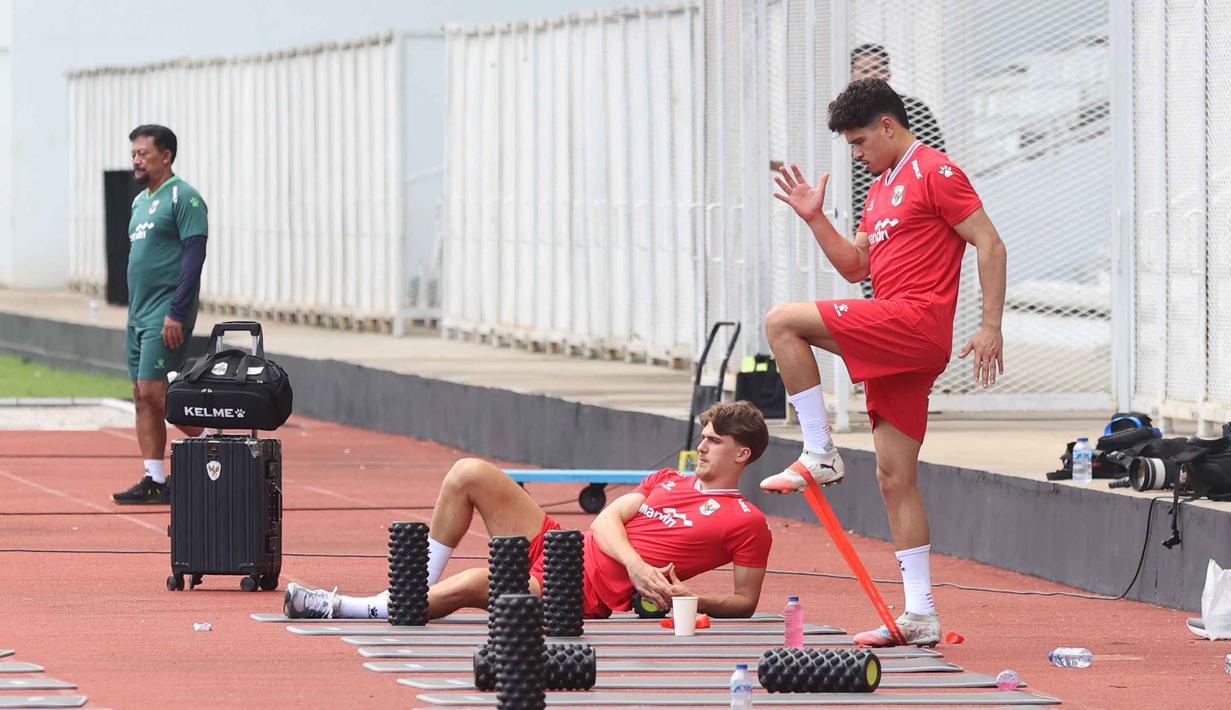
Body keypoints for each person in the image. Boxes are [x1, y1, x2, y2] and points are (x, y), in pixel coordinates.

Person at [760, 79, 1007, 647]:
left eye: (859, 142)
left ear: (888, 127)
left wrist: (991, 325)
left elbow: (989, 243)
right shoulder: (879, 189)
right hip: (897, 331)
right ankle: (920, 614)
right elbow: (854, 268)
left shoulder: (936, 171)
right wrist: (815, 218)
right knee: (894, 477)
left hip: (915, 322)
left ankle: (820, 450)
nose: (855, 154)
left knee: (781, 321)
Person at [283, 401, 774, 620]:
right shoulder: (669, 480)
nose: (703, 447)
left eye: (714, 441)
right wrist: (638, 564)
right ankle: (414, 590)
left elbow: (745, 602)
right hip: (563, 547)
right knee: (469, 471)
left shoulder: (746, 522)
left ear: (742, 454)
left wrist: (690, 599)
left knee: (480, 582)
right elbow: (605, 520)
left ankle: (353, 608)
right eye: (704, 437)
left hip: (576, 592)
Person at [112, 125, 208, 504]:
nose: (136, 159)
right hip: (138, 316)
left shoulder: (185, 198)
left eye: (144, 153)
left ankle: (215, 438)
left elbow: (193, 258)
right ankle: (155, 478)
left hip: (165, 315)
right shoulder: (139, 202)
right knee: (140, 394)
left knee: (156, 391)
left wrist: (177, 312)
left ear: (165, 156)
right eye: (134, 153)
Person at [850, 44, 946, 299]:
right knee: (876, 299)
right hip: (869, 224)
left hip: (912, 222)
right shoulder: (850, 122)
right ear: (851, 76)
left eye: (877, 69)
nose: (871, 75)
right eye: (864, 70)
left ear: (889, 74)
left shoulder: (915, 112)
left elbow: (935, 162)